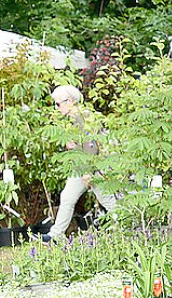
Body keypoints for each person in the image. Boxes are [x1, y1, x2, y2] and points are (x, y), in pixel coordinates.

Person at [45, 85, 118, 240]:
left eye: (58, 104)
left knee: (108, 200)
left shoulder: (83, 117)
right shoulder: (72, 120)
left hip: (93, 168)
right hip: (80, 168)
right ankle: (55, 235)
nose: (57, 108)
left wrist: (87, 172)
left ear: (70, 101)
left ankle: (127, 229)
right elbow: (80, 145)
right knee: (67, 198)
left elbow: (92, 146)